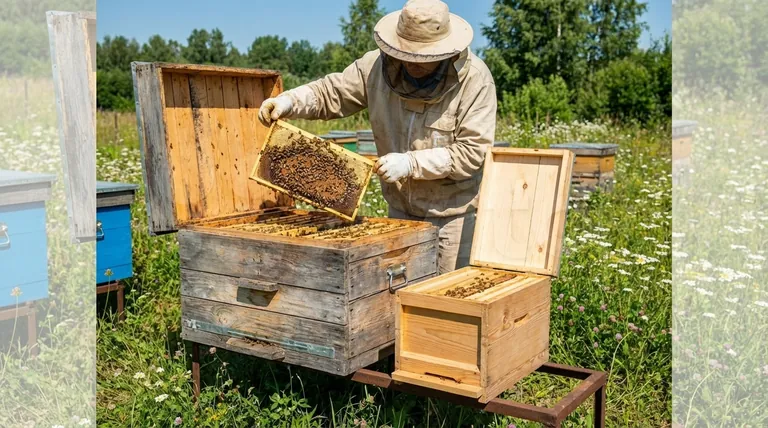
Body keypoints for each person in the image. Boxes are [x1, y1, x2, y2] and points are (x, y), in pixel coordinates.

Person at [258, 0, 496, 274]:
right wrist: (291, 101)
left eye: (423, 57)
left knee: (445, 307)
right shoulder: (374, 67)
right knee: (397, 302)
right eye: (408, 54)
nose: (413, 63)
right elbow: (331, 92)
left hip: (452, 220)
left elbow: (472, 153)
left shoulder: (475, 80)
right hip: (398, 213)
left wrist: (411, 164)